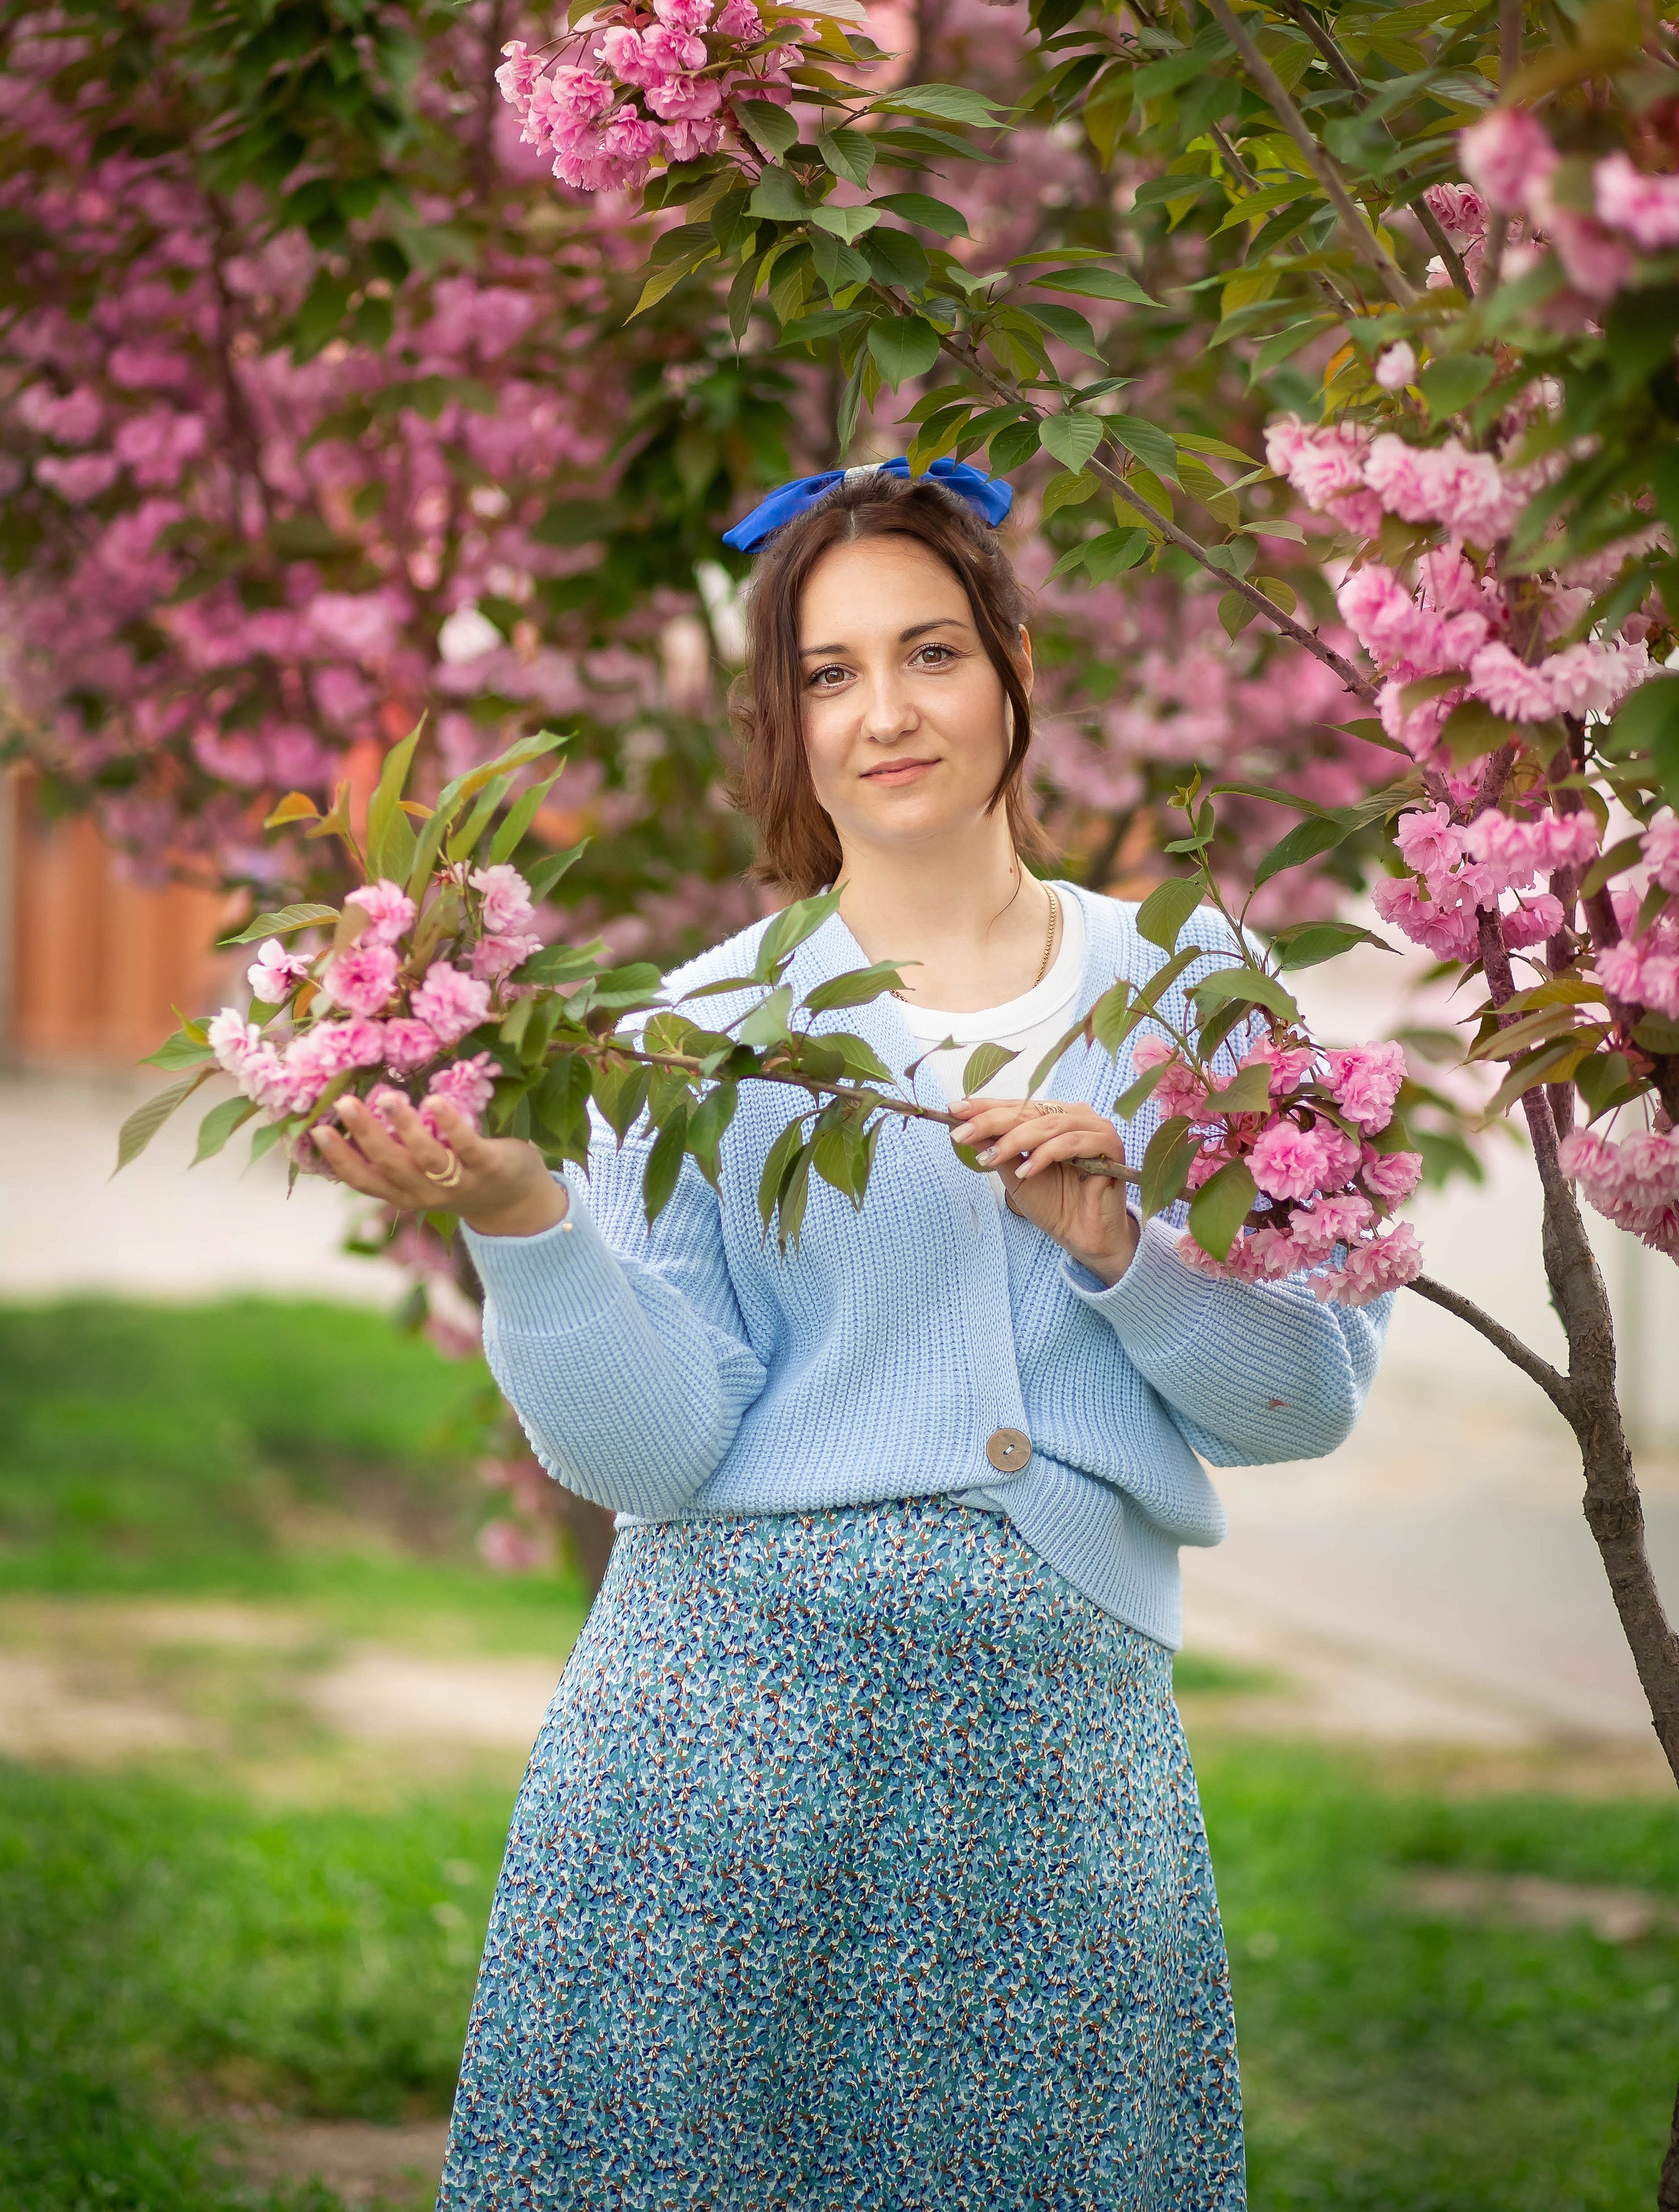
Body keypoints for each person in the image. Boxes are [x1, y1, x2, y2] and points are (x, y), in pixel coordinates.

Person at [311, 461, 1392, 2212]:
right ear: (786, 721)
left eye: (930, 653)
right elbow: (649, 1451)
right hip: (710, 1768)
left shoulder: (1201, 1001)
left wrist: (1127, 1255)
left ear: (1015, 666)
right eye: (829, 674)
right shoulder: (703, 1027)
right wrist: (526, 1225)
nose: (885, 714)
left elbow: (1300, 1403)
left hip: (1056, 1773)